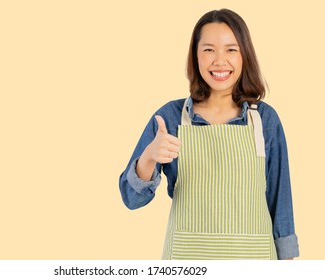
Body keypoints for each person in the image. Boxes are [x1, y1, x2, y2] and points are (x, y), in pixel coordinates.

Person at [119, 9, 299, 260]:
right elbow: (131, 199)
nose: (219, 61)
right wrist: (149, 156)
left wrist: (288, 264)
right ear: (195, 56)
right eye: (209, 49)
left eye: (231, 49)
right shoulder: (169, 118)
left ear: (245, 55)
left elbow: (281, 201)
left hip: (253, 261)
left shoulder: (265, 120)